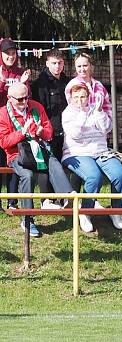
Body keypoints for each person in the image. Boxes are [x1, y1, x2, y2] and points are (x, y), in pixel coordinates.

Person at [0, 81, 74, 238]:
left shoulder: (36, 107)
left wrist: (41, 131)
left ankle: (67, 199)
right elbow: (4, 142)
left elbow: (49, 132)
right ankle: (27, 219)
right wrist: (22, 132)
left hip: (39, 150)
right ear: (9, 98)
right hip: (16, 155)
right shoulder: (2, 114)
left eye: (26, 98)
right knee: (27, 175)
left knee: (53, 161)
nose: (24, 102)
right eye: (19, 99)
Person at [61, 82, 122, 233]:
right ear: (70, 98)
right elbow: (75, 134)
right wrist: (83, 115)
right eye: (76, 97)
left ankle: (117, 211)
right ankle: (85, 212)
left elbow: (107, 128)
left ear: (88, 97)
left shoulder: (95, 109)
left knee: (119, 173)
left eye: (83, 97)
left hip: (100, 151)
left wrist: (98, 112)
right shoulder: (68, 113)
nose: (79, 101)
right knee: (93, 176)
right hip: (76, 153)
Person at [0, 38, 30, 208]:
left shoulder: (20, 72)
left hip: (16, 125)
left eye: (13, 53)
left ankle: (12, 201)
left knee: (15, 162)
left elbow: (27, 97)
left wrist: (25, 83)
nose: (10, 56)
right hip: (1, 123)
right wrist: (2, 81)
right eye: (7, 53)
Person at [31, 48, 69, 161]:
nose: (57, 66)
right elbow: (39, 111)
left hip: (67, 131)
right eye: (54, 63)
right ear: (47, 63)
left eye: (60, 63)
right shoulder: (40, 85)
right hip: (50, 134)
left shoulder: (67, 82)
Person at [65, 52, 112, 119]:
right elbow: (73, 110)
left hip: (100, 126)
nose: (82, 69)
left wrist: (107, 123)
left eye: (85, 65)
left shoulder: (99, 86)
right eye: (79, 66)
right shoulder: (71, 86)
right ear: (75, 67)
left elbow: (107, 107)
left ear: (90, 66)